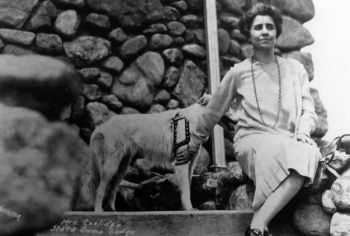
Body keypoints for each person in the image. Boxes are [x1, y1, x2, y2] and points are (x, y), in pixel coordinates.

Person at [175, 3, 321, 236]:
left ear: (276, 32)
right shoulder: (238, 72)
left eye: (270, 27)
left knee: (309, 153)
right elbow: (213, 110)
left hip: (288, 140)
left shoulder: (296, 70)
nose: (264, 31)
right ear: (248, 33)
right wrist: (193, 144)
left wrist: (303, 133)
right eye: (258, 27)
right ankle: (258, 226)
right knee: (298, 156)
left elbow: (308, 109)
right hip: (252, 140)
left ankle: (256, 225)